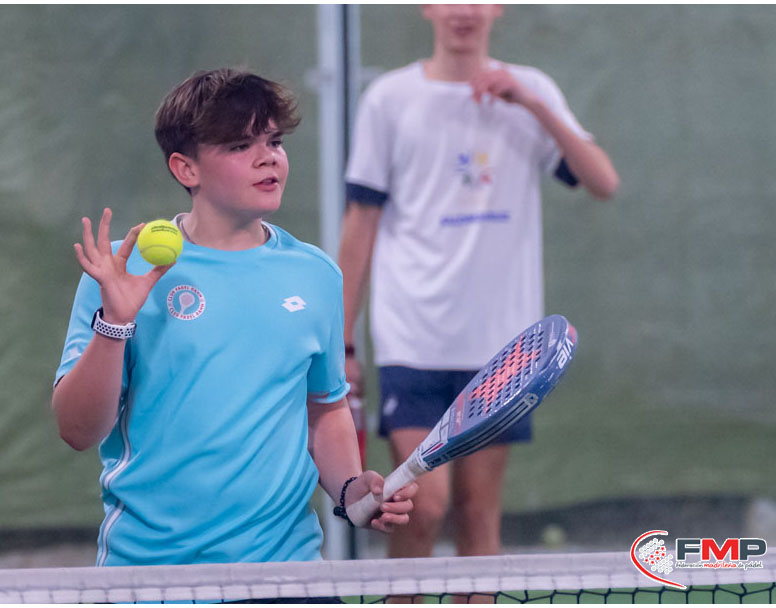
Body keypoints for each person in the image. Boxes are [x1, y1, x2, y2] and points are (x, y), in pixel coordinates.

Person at [52, 68, 417, 568]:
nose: (269, 157)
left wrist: (352, 489)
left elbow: (323, 407)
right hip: (152, 576)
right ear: (186, 169)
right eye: (241, 145)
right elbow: (77, 430)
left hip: (287, 576)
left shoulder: (316, 275)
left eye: (275, 141)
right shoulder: (121, 270)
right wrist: (114, 324)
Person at [339, 4, 618, 561]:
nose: (464, 10)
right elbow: (361, 223)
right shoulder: (388, 99)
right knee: (422, 507)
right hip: (412, 338)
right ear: (427, 8)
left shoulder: (531, 90)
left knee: (477, 513)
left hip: (502, 353)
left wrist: (532, 104)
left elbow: (603, 182)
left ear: (498, 8)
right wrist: (341, 343)